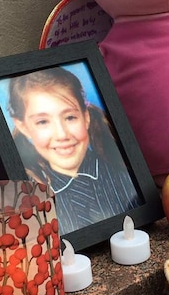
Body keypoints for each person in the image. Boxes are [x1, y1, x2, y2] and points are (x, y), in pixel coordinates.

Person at [8, 66, 140, 234]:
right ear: (24, 127)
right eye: (42, 122)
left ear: (86, 117)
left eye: (70, 117)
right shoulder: (32, 202)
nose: (62, 134)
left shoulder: (125, 177)